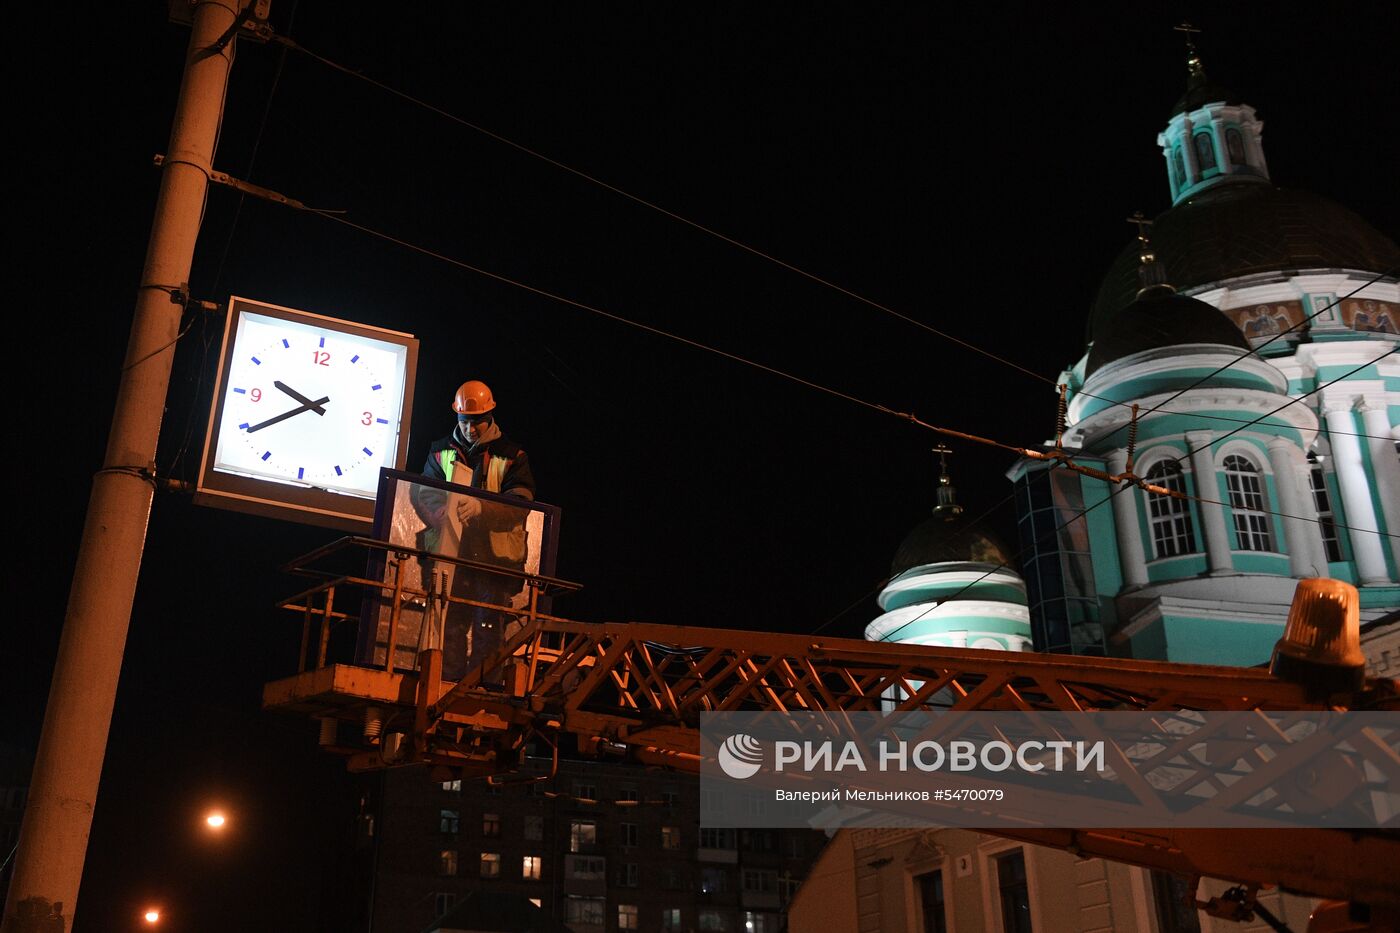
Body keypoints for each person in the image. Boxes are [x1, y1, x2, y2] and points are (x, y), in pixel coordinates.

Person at [413, 380, 537, 680]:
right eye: (465, 421)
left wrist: (482, 509)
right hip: (452, 554)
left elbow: (520, 504)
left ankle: (482, 687)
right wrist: (439, 512)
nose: (471, 428)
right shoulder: (440, 451)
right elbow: (425, 492)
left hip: (494, 562)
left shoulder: (512, 456)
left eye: (477, 422)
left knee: (488, 626)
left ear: (490, 417)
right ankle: (446, 683)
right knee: (451, 624)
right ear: (457, 417)